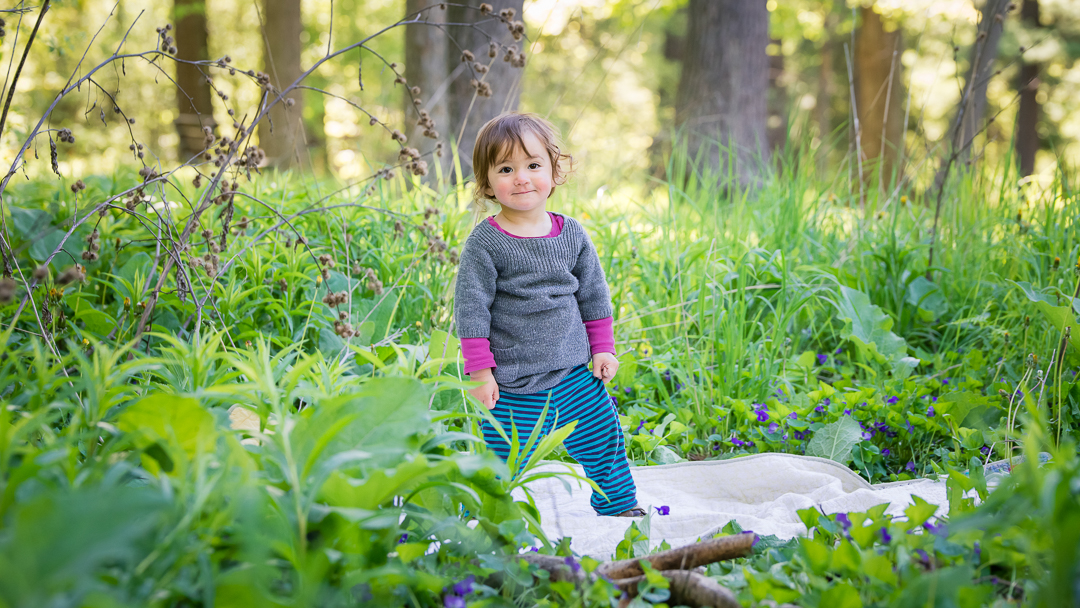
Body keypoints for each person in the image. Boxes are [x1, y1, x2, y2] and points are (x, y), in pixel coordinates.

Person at [453, 112, 644, 517]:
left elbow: (594, 296)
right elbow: (471, 312)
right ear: (487, 184)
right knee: (499, 458)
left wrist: (603, 349)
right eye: (506, 169)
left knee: (602, 440)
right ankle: (488, 517)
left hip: (574, 373)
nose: (521, 177)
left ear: (554, 173)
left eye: (533, 165)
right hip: (512, 383)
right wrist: (481, 374)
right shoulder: (485, 243)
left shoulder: (571, 233)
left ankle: (619, 507)